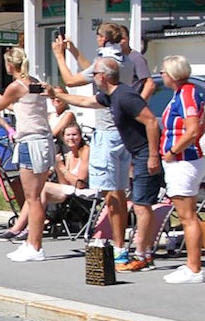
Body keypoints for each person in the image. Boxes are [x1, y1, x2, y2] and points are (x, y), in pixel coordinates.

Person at [52, 57, 162, 272]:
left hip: (141, 154)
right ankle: (139, 253)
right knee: (135, 202)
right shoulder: (111, 95)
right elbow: (87, 102)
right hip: (135, 152)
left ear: (102, 77)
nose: (92, 78)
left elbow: (151, 121)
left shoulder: (125, 96)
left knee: (140, 205)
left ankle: (142, 255)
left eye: (94, 74)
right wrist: (57, 94)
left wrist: (152, 155)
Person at [53, 34, 134, 263]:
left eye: (98, 35)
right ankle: (119, 245)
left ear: (105, 38)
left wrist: (59, 55)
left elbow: (71, 81)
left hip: (107, 136)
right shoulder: (125, 60)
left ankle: (117, 246)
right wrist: (74, 51)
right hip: (120, 134)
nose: (96, 38)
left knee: (111, 195)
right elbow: (92, 71)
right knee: (117, 193)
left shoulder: (105, 64)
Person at [0, 48, 54, 262]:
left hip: (30, 141)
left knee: (33, 198)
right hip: (43, 140)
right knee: (36, 196)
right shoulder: (33, 82)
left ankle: (36, 246)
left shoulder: (16, 85)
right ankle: (31, 241)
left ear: (9, 66)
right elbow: (16, 105)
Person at [156, 55, 204, 283]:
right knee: (188, 215)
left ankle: (194, 267)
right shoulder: (187, 92)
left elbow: (193, 128)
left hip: (183, 160)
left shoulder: (186, 94)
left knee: (187, 217)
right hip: (185, 159)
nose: (162, 75)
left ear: (172, 74)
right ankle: (192, 265)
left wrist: (174, 149)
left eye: (164, 72)